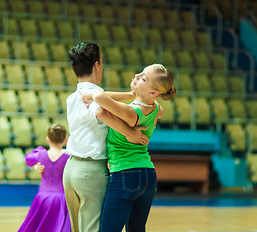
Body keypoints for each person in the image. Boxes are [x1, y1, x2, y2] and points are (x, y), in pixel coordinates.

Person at [63, 42, 149, 232]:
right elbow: (101, 109)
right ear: (97, 65)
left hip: (70, 170)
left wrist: (129, 95)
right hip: (90, 171)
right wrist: (130, 133)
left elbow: (102, 98)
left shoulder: (73, 96)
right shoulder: (95, 95)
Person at [81, 64, 176, 232]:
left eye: (143, 78)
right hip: (148, 175)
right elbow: (105, 99)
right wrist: (132, 94)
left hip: (125, 173)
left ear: (154, 93)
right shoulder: (156, 109)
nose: (137, 75)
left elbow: (102, 106)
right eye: (141, 72)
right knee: (136, 229)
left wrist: (92, 93)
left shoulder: (132, 113)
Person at [18, 124, 70, 232]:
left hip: (42, 198)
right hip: (61, 199)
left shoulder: (40, 155)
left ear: (47, 139)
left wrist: (38, 158)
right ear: (65, 140)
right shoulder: (68, 158)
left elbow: (28, 158)